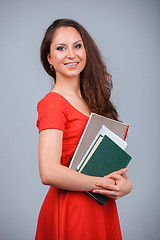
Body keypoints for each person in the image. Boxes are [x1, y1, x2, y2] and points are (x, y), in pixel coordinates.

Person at [35, 18, 132, 240]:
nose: (71, 54)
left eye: (77, 46)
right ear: (49, 59)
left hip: (102, 207)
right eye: (61, 48)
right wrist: (102, 183)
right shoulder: (53, 103)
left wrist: (125, 186)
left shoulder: (95, 102)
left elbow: (108, 166)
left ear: (86, 51)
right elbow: (49, 172)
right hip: (73, 209)